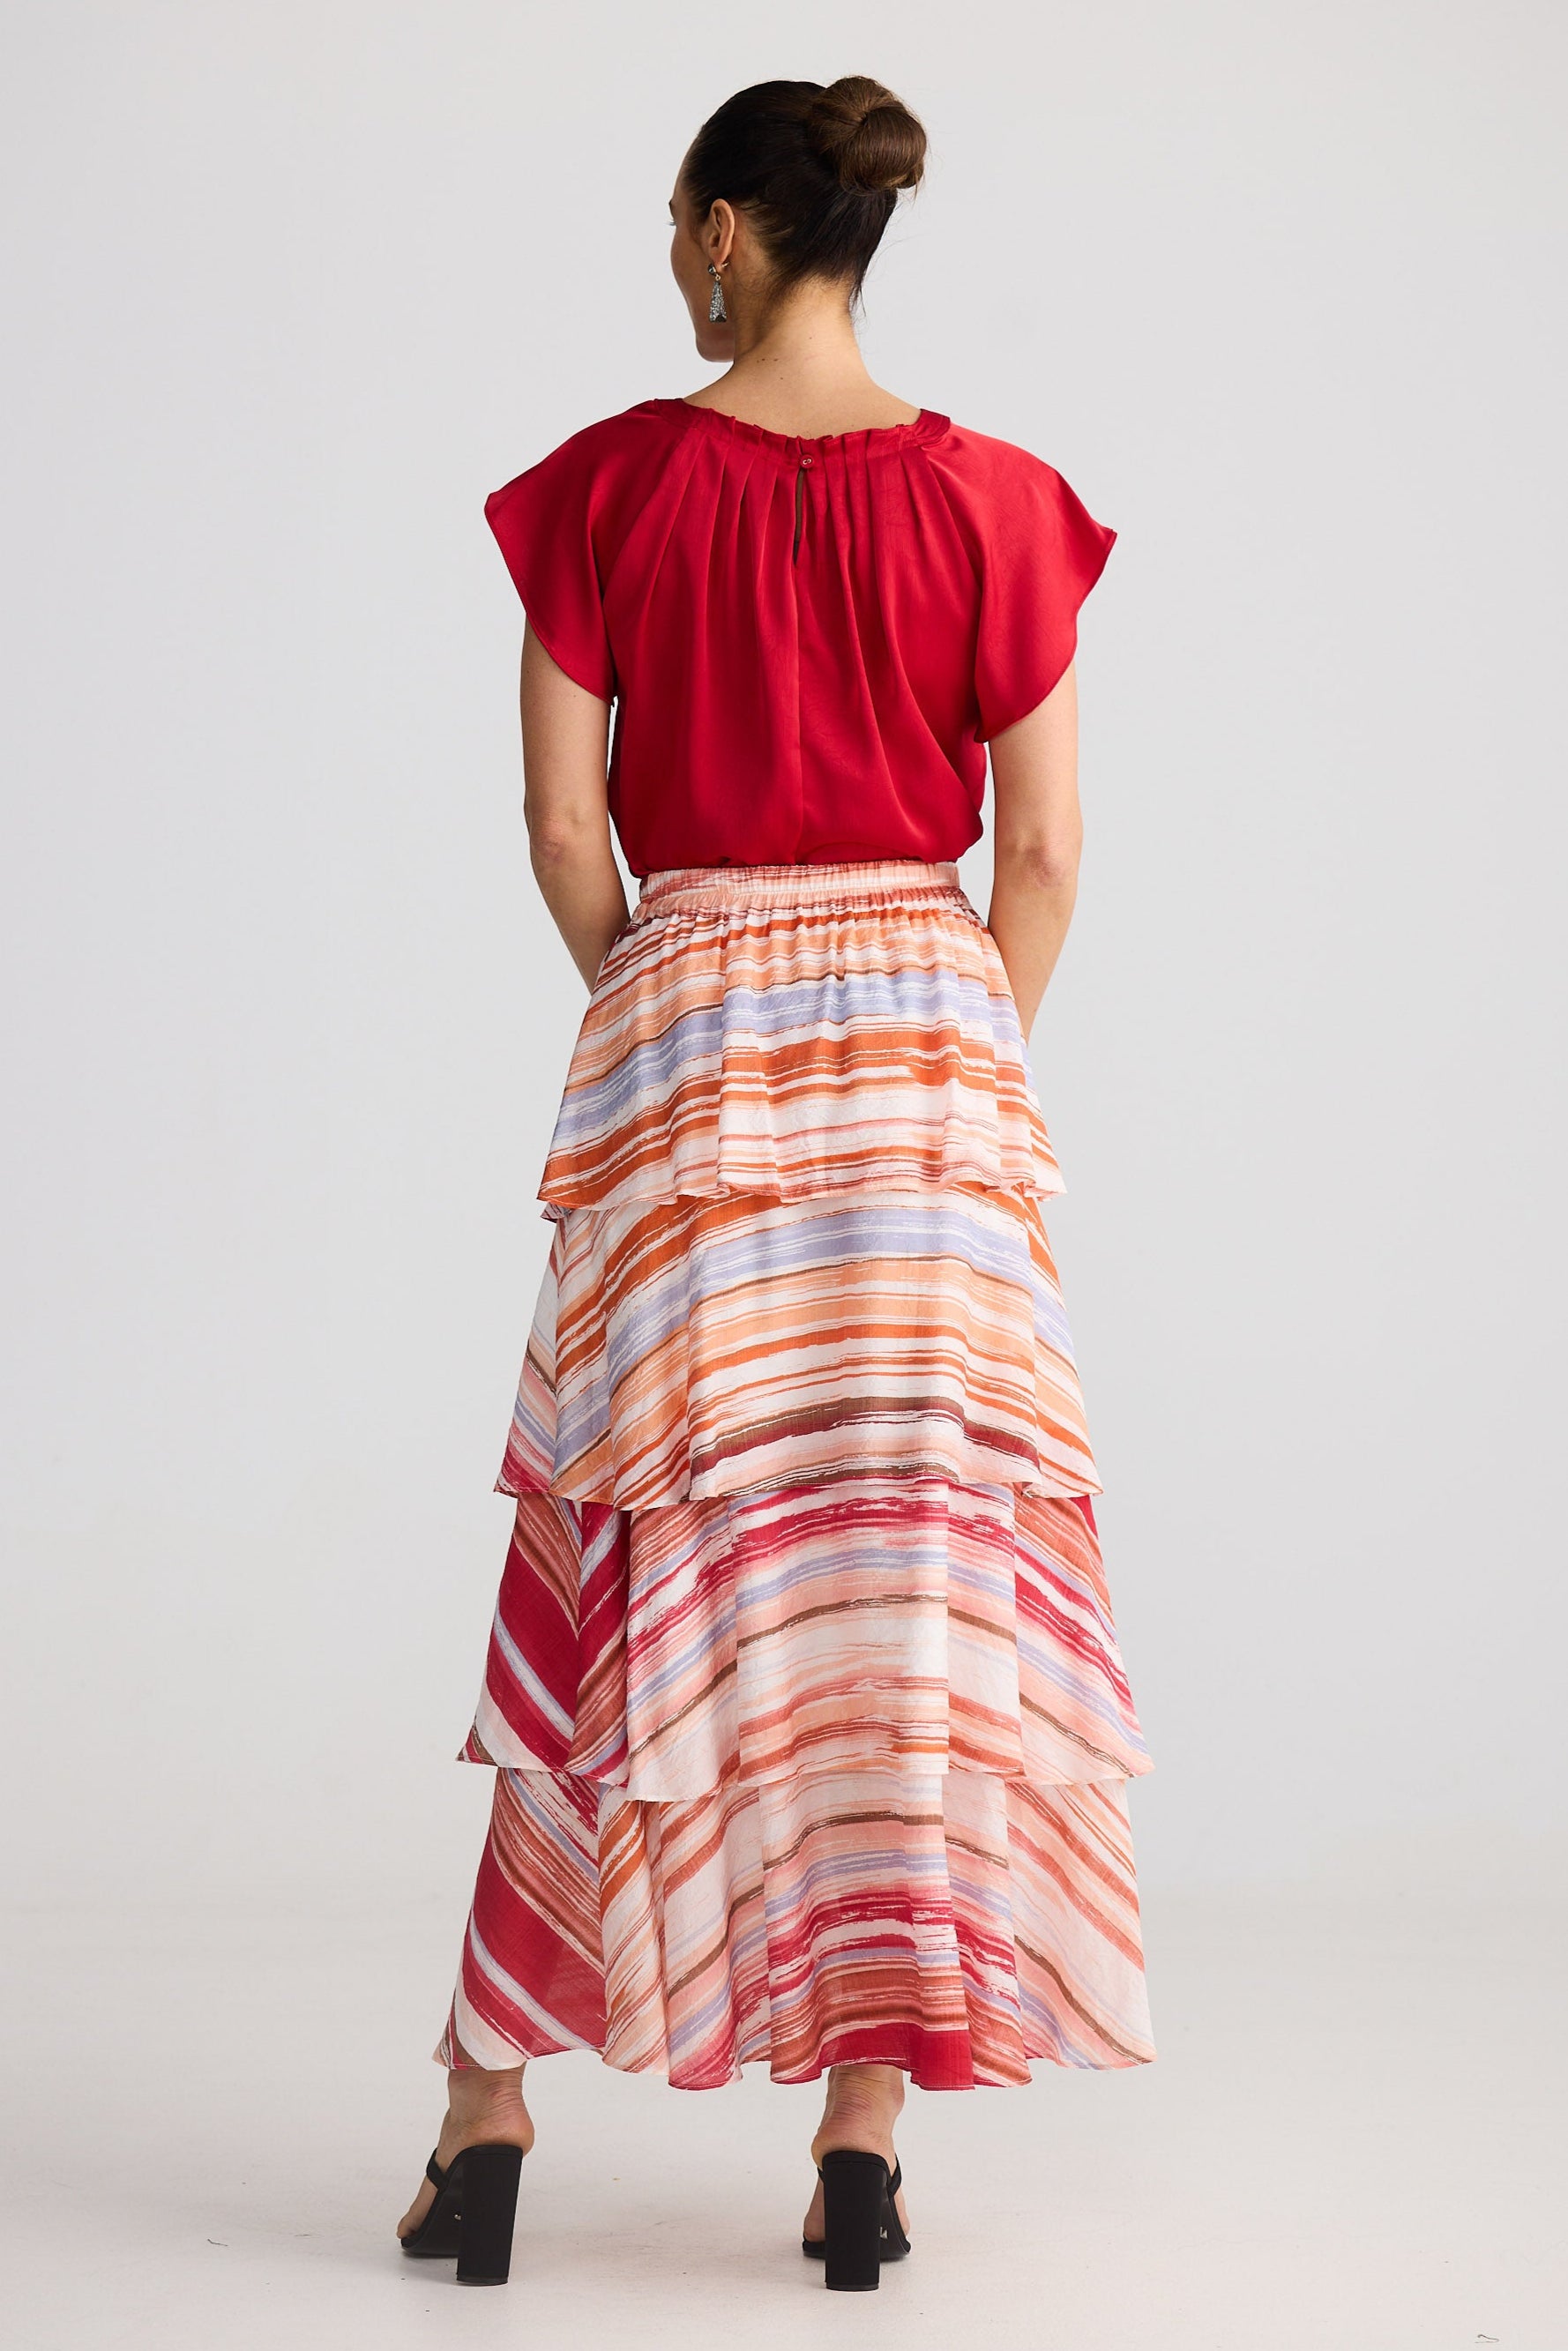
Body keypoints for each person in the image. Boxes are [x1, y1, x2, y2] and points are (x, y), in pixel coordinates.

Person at [397, 73, 1154, 2292]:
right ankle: (855, 2144)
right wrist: (949, 1055)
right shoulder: (1001, 503)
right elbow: (1045, 852)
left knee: (622, 1553)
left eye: (673, 219)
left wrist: (671, 996)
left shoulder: (614, 485)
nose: (666, 251)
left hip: (693, 1047)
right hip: (931, 1060)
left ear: (731, 231)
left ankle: (490, 2109)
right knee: (900, 1571)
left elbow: (562, 831)